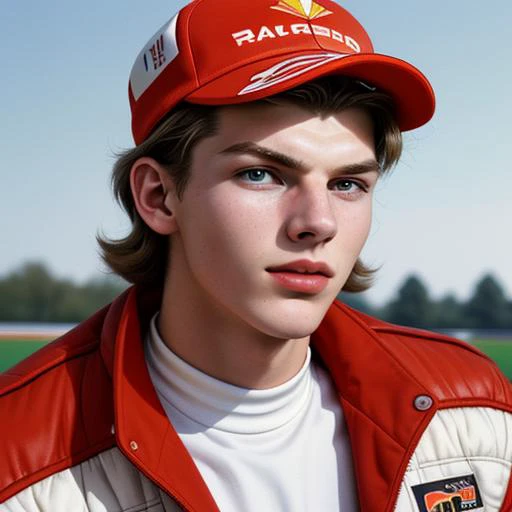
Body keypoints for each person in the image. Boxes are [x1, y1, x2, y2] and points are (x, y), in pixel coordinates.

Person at [1, 0, 511, 510]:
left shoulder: (474, 412)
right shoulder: (15, 456)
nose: (318, 222)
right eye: (260, 174)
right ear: (158, 196)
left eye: (348, 183)